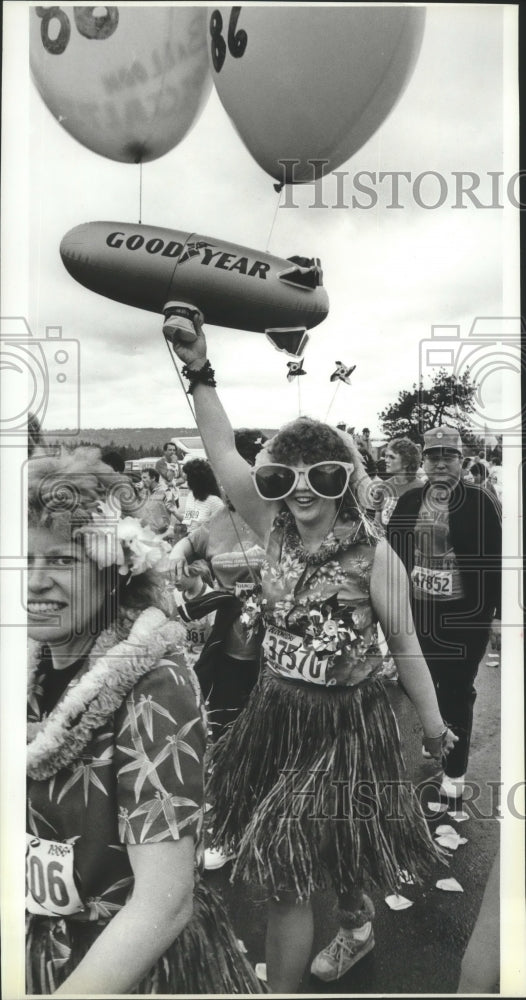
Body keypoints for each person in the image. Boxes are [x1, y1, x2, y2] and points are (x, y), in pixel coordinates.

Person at [165, 321, 457, 992]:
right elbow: (220, 447)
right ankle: (356, 928)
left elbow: (406, 645)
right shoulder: (272, 530)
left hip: (346, 728)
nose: (301, 487)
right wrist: (201, 370)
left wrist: (436, 729)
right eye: (284, 474)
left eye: (320, 474)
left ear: (343, 480)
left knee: (282, 868)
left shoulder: (374, 556)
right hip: (274, 718)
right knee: (334, 846)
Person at [26, 447, 262, 995]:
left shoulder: (155, 686)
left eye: (61, 561)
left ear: (113, 573)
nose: (34, 582)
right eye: (23, 561)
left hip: (121, 967)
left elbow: (164, 901)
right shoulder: (26, 664)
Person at [387, 425, 502, 802]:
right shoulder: (408, 501)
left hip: (464, 619)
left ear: (461, 461)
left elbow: (495, 562)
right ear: (424, 460)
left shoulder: (480, 501)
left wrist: (497, 616)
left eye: (447, 456)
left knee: (456, 691)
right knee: (415, 684)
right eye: (432, 456)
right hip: (416, 615)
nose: (439, 463)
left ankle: (455, 773)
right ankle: (434, 737)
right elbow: (389, 557)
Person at [373, 437, 422, 528]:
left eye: (391, 457)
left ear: (406, 463)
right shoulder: (382, 487)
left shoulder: (421, 488)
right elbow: (377, 524)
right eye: (386, 456)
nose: (386, 460)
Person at [180, 457, 224, 531]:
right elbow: (190, 521)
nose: (186, 481)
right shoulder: (191, 496)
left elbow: (222, 530)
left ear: (197, 480)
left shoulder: (214, 502)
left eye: (188, 479)